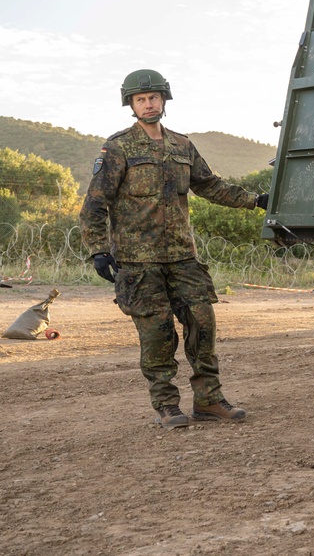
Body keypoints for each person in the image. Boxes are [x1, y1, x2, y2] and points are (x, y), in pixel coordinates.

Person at [80, 69, 268, 430]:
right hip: (138, 261)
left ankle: (210, 401)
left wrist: (254, 200)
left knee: (203, 325)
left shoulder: (182, 146)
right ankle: (166, 405)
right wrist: (99, 250)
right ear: (131, 105)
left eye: (153, 97)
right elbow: (94, 204)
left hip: (183, 256)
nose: (148, 104)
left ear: (164, 100)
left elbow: (210, 185)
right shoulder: (118, 147)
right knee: (157, 334)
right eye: (140, 99)